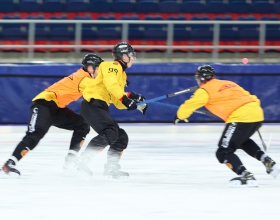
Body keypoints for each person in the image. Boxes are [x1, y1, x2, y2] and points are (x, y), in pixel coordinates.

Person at [174, 65, 279, 187]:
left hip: (240, 117)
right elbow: (252, 98)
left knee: (223, 151)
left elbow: (188, 106)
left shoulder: (204, 90)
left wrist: (180, 116)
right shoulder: (228, 83)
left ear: (200, 79)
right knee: (241, 141)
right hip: (256, 112)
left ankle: (245, 175)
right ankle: (267, 161)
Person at [0, 54, 104, 178]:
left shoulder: (88, 78)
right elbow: (99, 91)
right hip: (43, 104)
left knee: (82, 125)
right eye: (98, 68)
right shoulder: (84, 78)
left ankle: (69, 161)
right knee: (35, 134)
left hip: (56, 107)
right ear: (90, 68)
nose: (100, 72)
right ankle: (9, 164)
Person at [69, 42, 148, 179]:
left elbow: (116, 101)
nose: (132, 58)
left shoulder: (122, 75)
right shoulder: (110, 66)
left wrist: (134, 104)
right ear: (123, 56)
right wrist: (126, 100)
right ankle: (81, 161)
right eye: (130, 55)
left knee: (120, 136)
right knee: (111, 132)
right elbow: (112, 86)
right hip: (92, 104)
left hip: (99, 106)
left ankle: (111, 168)